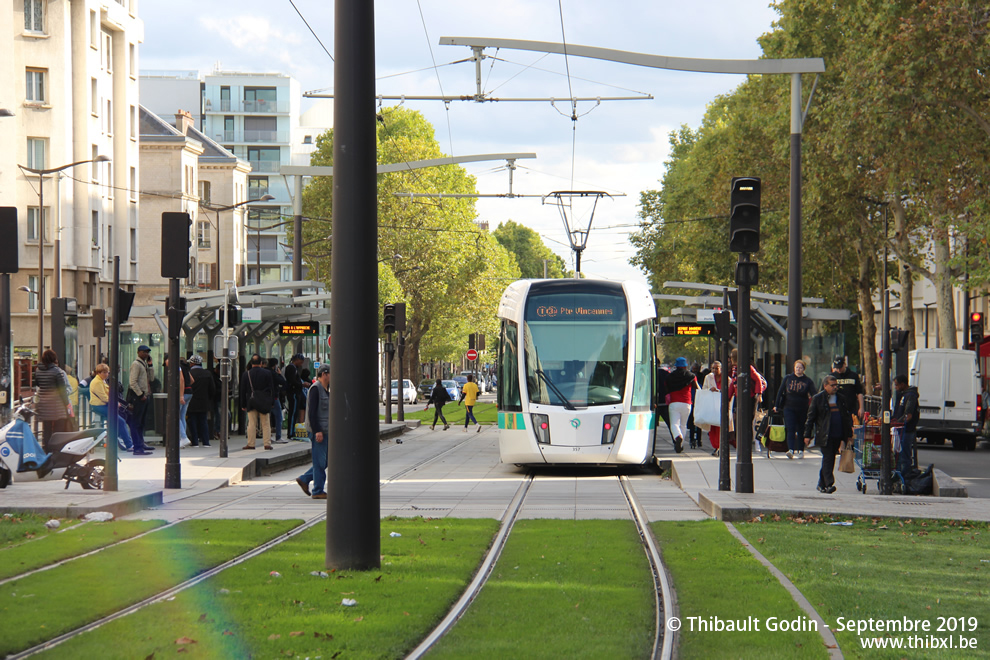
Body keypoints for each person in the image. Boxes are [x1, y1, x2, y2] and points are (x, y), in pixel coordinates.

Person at [804, 375, 853, 494]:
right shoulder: (818, 399)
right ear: (825, 385)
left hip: (838, 433)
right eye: (832, 385)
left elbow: (846, 417)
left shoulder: (840, 398)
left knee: (830, 459)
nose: (835, 387)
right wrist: (807, 434)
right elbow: (811, 418)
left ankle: (821, 484)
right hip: (825, 434)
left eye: (836, 385)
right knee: (828, 458)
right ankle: (829, 483)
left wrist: (849, 434)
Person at [296, 364, 330, 499]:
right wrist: (317, 431)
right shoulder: (315, 389)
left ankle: (304, 479)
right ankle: (317, 490)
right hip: (318, 430)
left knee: (325, 461)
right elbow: (312, 412)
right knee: (320, 462)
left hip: (325, 429)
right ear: (324, 375)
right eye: (330, 374)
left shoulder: (327, 389)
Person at [772, 360, 817, 459]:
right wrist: (776, 405)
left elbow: (814, 394)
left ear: (804, 369)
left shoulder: (807, 381)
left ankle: (800, 450)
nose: (798, 369)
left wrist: (815, 406)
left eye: (800, 368)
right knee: (790, 428)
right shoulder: (788, 378)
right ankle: (791, 449)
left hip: (802, 408)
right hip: (789, 407)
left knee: (801, 429)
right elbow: (780, 392)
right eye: (796, 367)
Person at [35, 349, 72, 450]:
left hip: (44, 405)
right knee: (58, 431)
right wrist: (66, 404)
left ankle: (46, 450)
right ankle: (56, 451)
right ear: (54, 358)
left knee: (46, 430)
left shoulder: (38, 370)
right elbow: (62, 390)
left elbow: (38, 384)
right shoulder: (57, 371)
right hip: (57, 406)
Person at [239, 354, 274, 450]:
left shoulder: (246, 374)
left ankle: (251, 444)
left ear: (251, 363)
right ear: (261, 363)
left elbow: (243, 390)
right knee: (266, 423)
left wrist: (243, 404)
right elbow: (271, 389)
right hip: (264, 401)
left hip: (251, 401)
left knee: (252, 423)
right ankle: (267, 443)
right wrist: (272, 402)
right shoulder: (267, 373)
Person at [127, 345, 155, 454]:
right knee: (136, 422)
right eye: (144, 352)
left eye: (147, 352)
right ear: (138, 352)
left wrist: (151, 365)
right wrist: (140, 395)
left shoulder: (144, 365)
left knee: (142, 422)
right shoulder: (136, 364)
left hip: (145, 396)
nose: (146, 354)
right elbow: (132, 382)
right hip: (138, 398)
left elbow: (151, 378)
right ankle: (137, 447)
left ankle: (141, 443)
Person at [666, 357, 697, 453]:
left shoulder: (670, 376)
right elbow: (697, 387)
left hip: (674, 402)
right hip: (687, 403)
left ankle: (677, 437)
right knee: (683, 425)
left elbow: (666, 387)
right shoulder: (691, 376)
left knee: (674, 424)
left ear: (676, 365)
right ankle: (681, 444)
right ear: (685, 365)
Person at [892, 375, 919, 476]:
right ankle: (900, 474)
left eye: (896, 385)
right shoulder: (903, 394)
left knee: (904, 453)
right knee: (900, 453)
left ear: (902, 384)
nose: (895, 387)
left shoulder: (910, 395)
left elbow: (908, 415)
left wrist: (898, 422)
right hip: (901, 429)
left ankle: (905, 475)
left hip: (906, 429)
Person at [187, 355, 215, 447]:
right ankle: (206, 441)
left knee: (192, 421)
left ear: (192, 363)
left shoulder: (189, 373)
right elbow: (212, 389)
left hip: (191, 401)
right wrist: (209, 398)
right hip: (204, 401)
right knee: (203, 421)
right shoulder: (207, 373)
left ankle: (195, 441)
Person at [832, 356, 865, 422]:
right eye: (837, 368)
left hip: (851, 408)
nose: (838, 370)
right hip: (837, 408)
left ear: (845, 365)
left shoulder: (853, 376)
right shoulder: (832, 377)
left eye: (840, 368)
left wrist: (861, 408)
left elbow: (859, 392)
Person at [702, 361, 723, 455]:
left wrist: (719, 391)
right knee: (712, 427)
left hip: (721, 406)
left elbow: (730, 391)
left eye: (716, 368)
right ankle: (715, 446)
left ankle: (719, 446)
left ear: (720, 369)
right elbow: (703, 390)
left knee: (719, 426)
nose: (714, 370)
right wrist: (709, 390)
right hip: (711, 405)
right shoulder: (708, 377)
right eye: (713, 368)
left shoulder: (726, 378)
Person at [283, 354, 305, 439]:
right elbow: (292, 381)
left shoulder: (294, 368)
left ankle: (292, 431)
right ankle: (291, 432)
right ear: (297, 360)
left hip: (294, 392)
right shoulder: (291, 368)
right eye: (301, 362)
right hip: (293, 393)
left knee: (294, 413)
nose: (301, 364)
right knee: (293, 413)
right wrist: (302, 384)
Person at [267, 358, 288, 443]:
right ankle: (278, 436)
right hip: (274, 398)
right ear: (275, 365)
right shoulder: (273, 374)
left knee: (266, 418)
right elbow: (283, 382)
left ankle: (268, 437)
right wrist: (279, 374)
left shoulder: (265, 372)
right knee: (278, 417)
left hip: (265, 398)